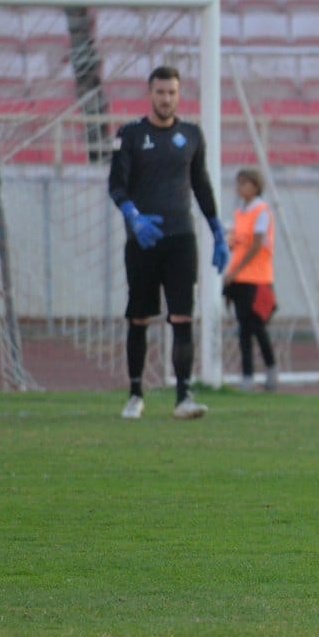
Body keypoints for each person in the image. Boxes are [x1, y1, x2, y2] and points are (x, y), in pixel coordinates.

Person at [107, 64, 227, 420]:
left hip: (180, 238)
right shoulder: (129, 135)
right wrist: (133, 216)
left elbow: (201, 186)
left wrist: (218, 231)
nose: (166, 98)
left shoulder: (191, 135)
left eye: (172, 92)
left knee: (182, 316)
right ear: (150, 93)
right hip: (142, 240)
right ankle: (134, 393)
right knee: (140, 317)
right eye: (160, 92)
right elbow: (116, 184)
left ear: (178, 94)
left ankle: (184, 397)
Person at [224, 167, 279, 392]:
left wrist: (235, 272)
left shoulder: (262, 211)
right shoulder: (240, 212)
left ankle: (271, 369)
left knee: (256, 326)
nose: (240, 188)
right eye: (238, 183)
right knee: (244, 329)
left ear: (255, 187)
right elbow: (240, 242)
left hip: (257, 279)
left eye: (244, 183)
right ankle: (247, 376)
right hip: (240, 278)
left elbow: (257, 244)